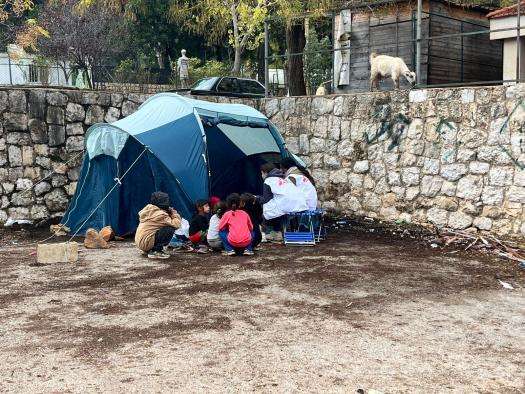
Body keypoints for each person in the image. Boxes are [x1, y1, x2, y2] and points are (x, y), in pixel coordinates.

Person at [256, 162, 308, 242]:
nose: (261, 175)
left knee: (267, 210)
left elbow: (266, 199)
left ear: (265, 172)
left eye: (261, 173)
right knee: (275, 210)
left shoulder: (268, 181)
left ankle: (265, 234)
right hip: (300, 204)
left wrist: (257, 198)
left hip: (288, 205)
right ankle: (277, 233)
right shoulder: (282, 178)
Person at [135, 191, 181, 260]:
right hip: (145, 242)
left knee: (158, 229)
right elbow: (177, 224)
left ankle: (150, 250)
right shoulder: (160, 214)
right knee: (169, 228)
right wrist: (174, 213)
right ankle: (156, 251)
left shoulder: (149, 210)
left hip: (141, 242)